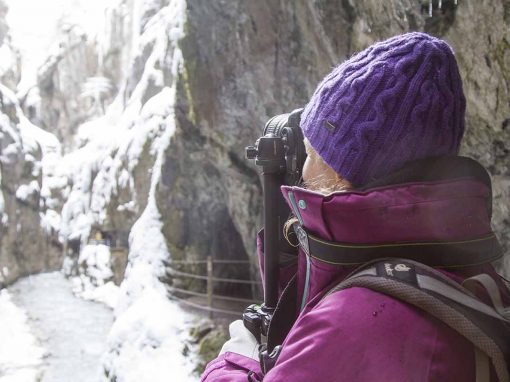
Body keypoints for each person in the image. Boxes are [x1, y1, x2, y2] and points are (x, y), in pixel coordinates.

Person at [200, 32, 509, 382]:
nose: (301, 169)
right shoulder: (473, 282)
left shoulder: (353, 323)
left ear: (341, 172)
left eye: (312, 152)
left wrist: (237, 361)